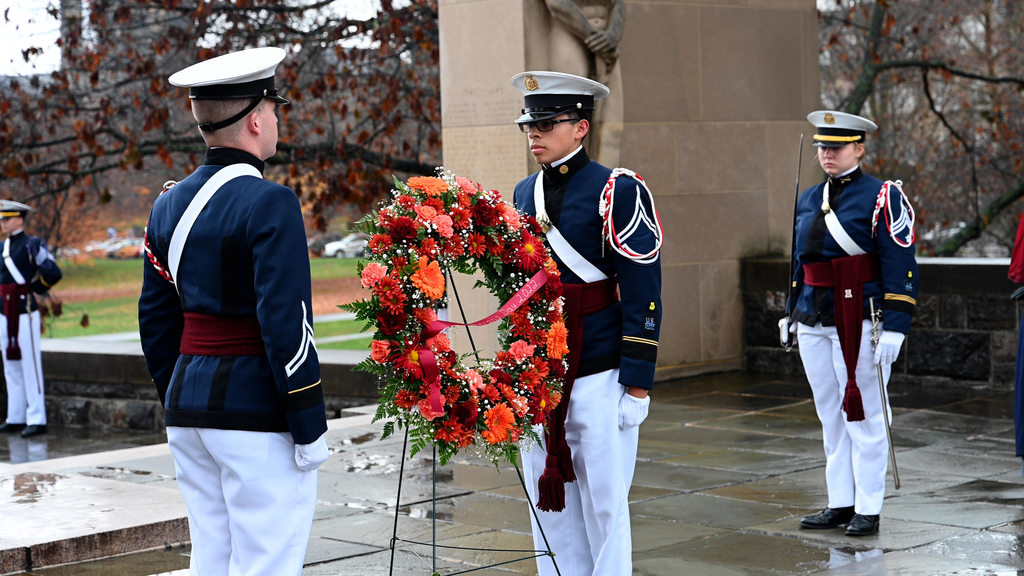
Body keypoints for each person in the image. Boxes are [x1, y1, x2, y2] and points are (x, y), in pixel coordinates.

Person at [138, 47, 328, 576]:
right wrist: (308, 424)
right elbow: (286, 324)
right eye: (273, 109)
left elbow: (156, 321)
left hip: (187, 407)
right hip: (255, 411)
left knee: (212, 561)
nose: (276, 120)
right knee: (268, 562)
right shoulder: (270, 202)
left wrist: (178, 395)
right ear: (253, 121)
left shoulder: (167, 205)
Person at [511, 71, 662, 576]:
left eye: (546, 124)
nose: (534, 134)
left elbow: (643, 289)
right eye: (528, 125)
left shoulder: (617, 190)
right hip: (540, 372)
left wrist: (637, 385)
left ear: (580, 127)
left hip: (600, 369)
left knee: (604, 506)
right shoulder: (522, 192)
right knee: (547, 504)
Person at [782, 110, 918, 537]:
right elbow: (799, 262)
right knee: (830, 416)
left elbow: (900, 264)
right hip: (813, 317)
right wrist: (790, 311)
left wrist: (896, 324)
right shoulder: (807, 198)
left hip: (861, 318)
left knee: (866, 416)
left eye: (836, 147)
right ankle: (840, 501)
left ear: (859, 148)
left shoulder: (882, 196)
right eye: (822, 146)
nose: (827, 154)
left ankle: (868, 506)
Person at [0, 200, 61, 438]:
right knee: (10, 365)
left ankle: (37, 418)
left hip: (24, 309)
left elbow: (53, 272)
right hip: (4, 311)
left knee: (30, 365)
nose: (2, 223)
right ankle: (16, 416)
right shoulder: (2, 247)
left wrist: (33, 287)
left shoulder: (32, 245)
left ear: (19, 219)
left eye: (6, 218)